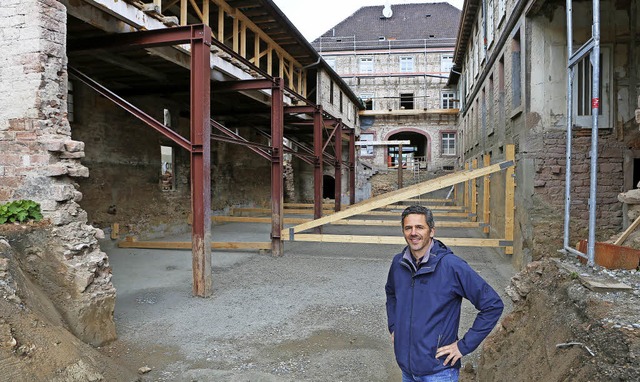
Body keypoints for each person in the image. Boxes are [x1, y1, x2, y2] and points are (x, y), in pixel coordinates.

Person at [385, 205, 504, 382]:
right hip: (407, 371)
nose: (413, 233)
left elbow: (492, 305)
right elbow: (391, 293)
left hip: (439, 372)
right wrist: (394, 327)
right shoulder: (399, 263)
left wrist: (463, 346)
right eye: (408, 228)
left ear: (432, 231)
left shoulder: (452, 266)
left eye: (420, 227)